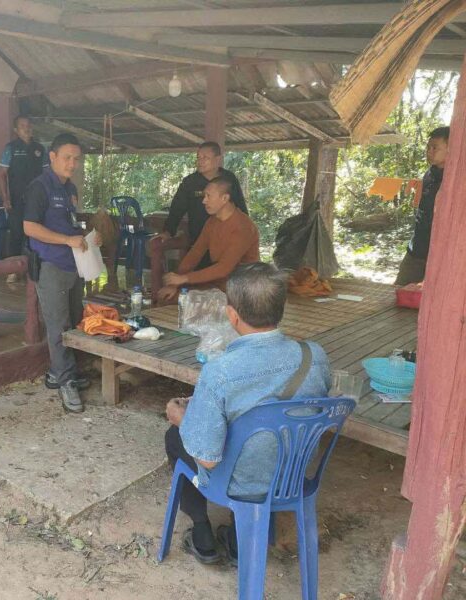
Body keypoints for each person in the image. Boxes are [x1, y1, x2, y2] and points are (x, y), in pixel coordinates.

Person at [164, 262, 331, 565]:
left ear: (232, 315)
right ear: (282, 308)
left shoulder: (220, 371)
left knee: (175, 436)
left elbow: (207, 458)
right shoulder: (315, 355)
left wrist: (180, 417)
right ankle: (240, 541)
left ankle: (201, 532)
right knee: (264, 439)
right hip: (292, 476)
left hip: (240, 484)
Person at [23, 133, 101, 411]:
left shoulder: (70, 189)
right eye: (67, 158)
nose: (72, 164)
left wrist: (86, 236)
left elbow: (69, 223)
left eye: (76, 159)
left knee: (74, 320)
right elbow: (29, 227)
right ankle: (66, 381)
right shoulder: (39, 187)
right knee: (58, 325)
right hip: (50, 264)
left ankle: (60, 373)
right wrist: (67, 240)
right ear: (52, 156)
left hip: (73, 264)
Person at [157, 177, 259, 301]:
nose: (204, 201)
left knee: (188, 302)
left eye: (208, 196)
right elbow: (195, 253)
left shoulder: (243, 226)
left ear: (225, 198)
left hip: (243, 288)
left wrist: (184, 279)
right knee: (168, 296)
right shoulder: (212, 221)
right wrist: (174, 282)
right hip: (219, 284)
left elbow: (224, 268)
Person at [153, 141, 247, 268]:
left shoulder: (229, 179)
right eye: (198, 157)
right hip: (198, 240)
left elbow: (240, 207)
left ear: (217, 159)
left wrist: (244, 231)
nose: (200, 161)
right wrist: (168, 231)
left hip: (226, 240)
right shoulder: (190, 182)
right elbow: (177, 209)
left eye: (205, 158)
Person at [395, 126, 450, 286]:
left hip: (442, 253)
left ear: (450, 149)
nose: (429, 152)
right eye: (428, 147)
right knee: (400, 290)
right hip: (417, 248)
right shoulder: (429, 174)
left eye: (435, 148)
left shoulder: (456, 179)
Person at [0, 116, 49, 283]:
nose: (26, 128)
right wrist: (5, 198)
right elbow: (2, 174)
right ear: (16, 130)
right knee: (16, 234)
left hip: (37, 200)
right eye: (22, 126)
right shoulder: (10, 148)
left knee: (37, 234)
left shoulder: (40, 149)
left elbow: (47, 175)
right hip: (16, 199)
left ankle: (34, 270)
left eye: (28, 125)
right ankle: (13, 271)